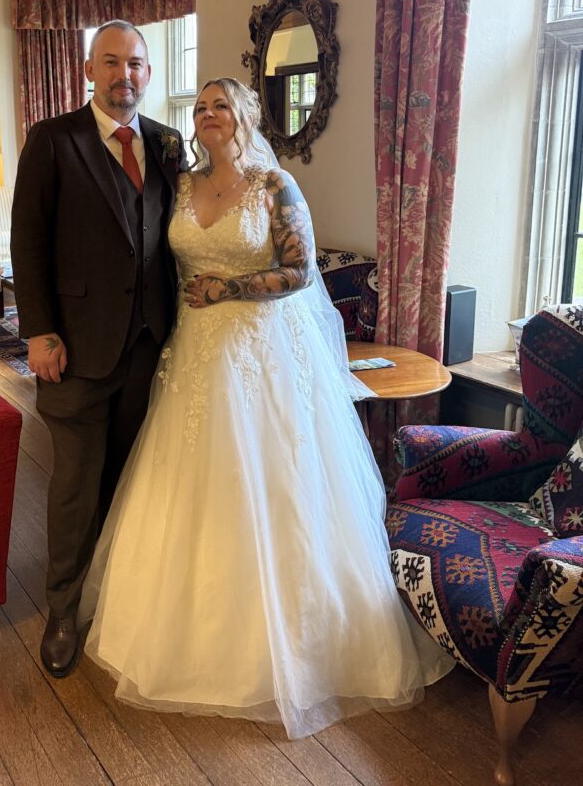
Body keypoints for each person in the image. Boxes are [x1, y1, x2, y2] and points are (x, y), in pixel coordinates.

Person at [78, 77, 453, 737]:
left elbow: (302, 270)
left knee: (273, 479)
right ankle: (177, 626)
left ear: (246, 115)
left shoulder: (275, 187)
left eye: (221, 104)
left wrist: (232, 286)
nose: (207, 114)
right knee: (190, 479)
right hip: (193, 351)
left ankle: (291, 641)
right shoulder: (183, 184)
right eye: (199, 106)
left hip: (259, 347)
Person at [10, 19, 185, 678]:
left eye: (136, 63)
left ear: (147, 71)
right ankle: (61, 609)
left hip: (150, 343)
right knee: (77, 485)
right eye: (111, 63)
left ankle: (115, 592)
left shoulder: (167, 143)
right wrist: (40, 330)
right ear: (89, 70)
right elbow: (28, 239)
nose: (125, 75)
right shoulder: (54, 140)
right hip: (75, 348)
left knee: (129, 475)